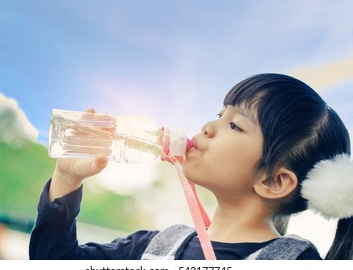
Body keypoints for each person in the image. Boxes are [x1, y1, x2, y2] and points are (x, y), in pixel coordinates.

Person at [29, 73, 352, 260]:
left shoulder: (293, 265)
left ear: (274, 181)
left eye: (235, 125)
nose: (208, 127)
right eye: (218, 114)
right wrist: (66, 179)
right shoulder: (156, 247)